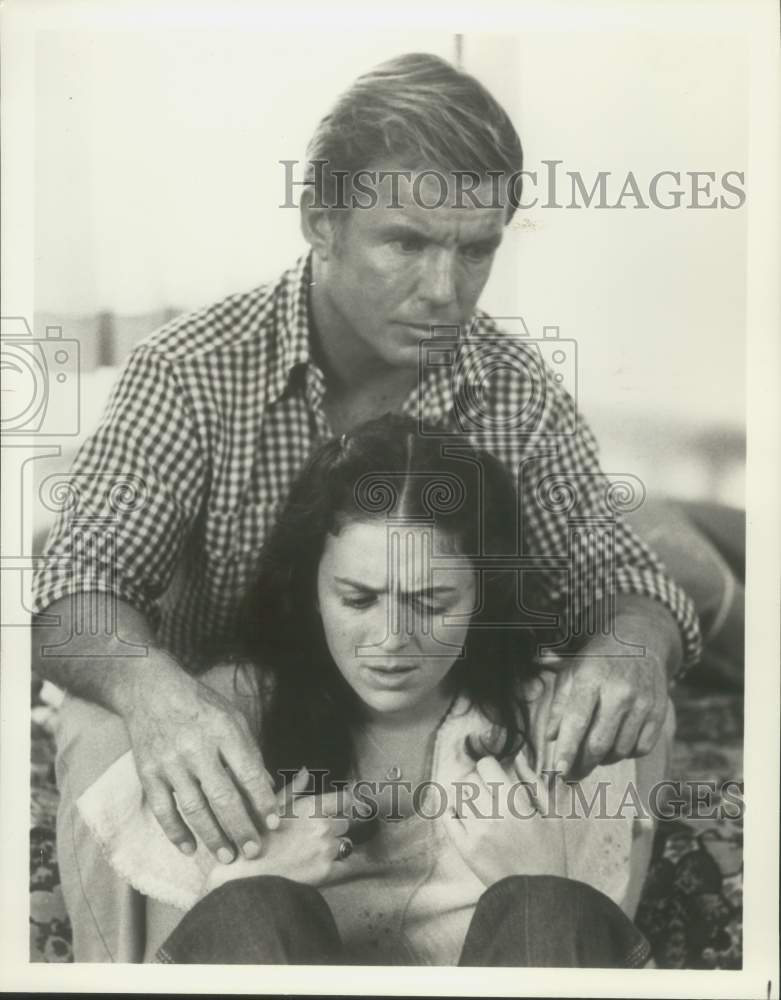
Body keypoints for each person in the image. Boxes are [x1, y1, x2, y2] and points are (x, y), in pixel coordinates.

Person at [30, 52, 700, 961]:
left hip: (420, 722)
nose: (445, 291)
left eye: (476, 250)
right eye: (406, 242)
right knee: (99, 714)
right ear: (321, 221)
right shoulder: (188, 369)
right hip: (233, 718)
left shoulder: (516, 390)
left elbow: (618, 576)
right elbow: (72, 589)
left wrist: (632, 650)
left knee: (631, 688)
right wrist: (157, 698)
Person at [75, 415, 673, 966]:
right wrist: (234, 885)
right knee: (250, 908)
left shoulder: (560, 721)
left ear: (483, 597)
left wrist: (543, 876)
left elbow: (586, 945)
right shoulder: (218, 721)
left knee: (549, 906)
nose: (390, 641)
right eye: (358, 599)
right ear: (311, 589)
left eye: (431, 603)